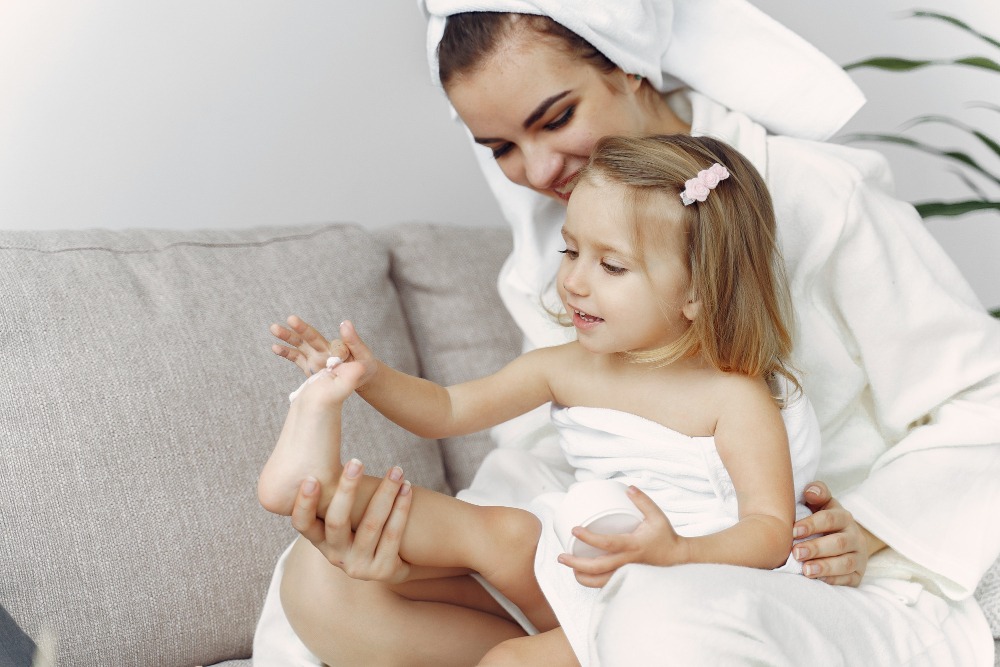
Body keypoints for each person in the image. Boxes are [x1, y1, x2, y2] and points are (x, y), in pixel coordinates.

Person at [254, 3, 1000, 665]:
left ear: (629, 67)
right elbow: (555, 447)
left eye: (554, 118)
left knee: (657, 614)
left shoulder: (820, 198)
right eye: (501, 148)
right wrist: (423, 551)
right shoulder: (559, 258)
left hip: (794, 571)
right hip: (610, 549)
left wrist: (866, 528)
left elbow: (983, 394)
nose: (539, 169)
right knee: (324, 579)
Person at [258, 134, 823, 665]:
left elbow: (771, 532)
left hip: (677, 586)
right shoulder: (567, 367)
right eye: (570, 250)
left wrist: (676, 552)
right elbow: (446, 411)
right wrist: (368, 376)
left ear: (699, 291)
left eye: (611, 265)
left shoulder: (735, 398)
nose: (574, 281)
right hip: (581, 562)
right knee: (505, 532)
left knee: (506, 659)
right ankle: (317, 480)